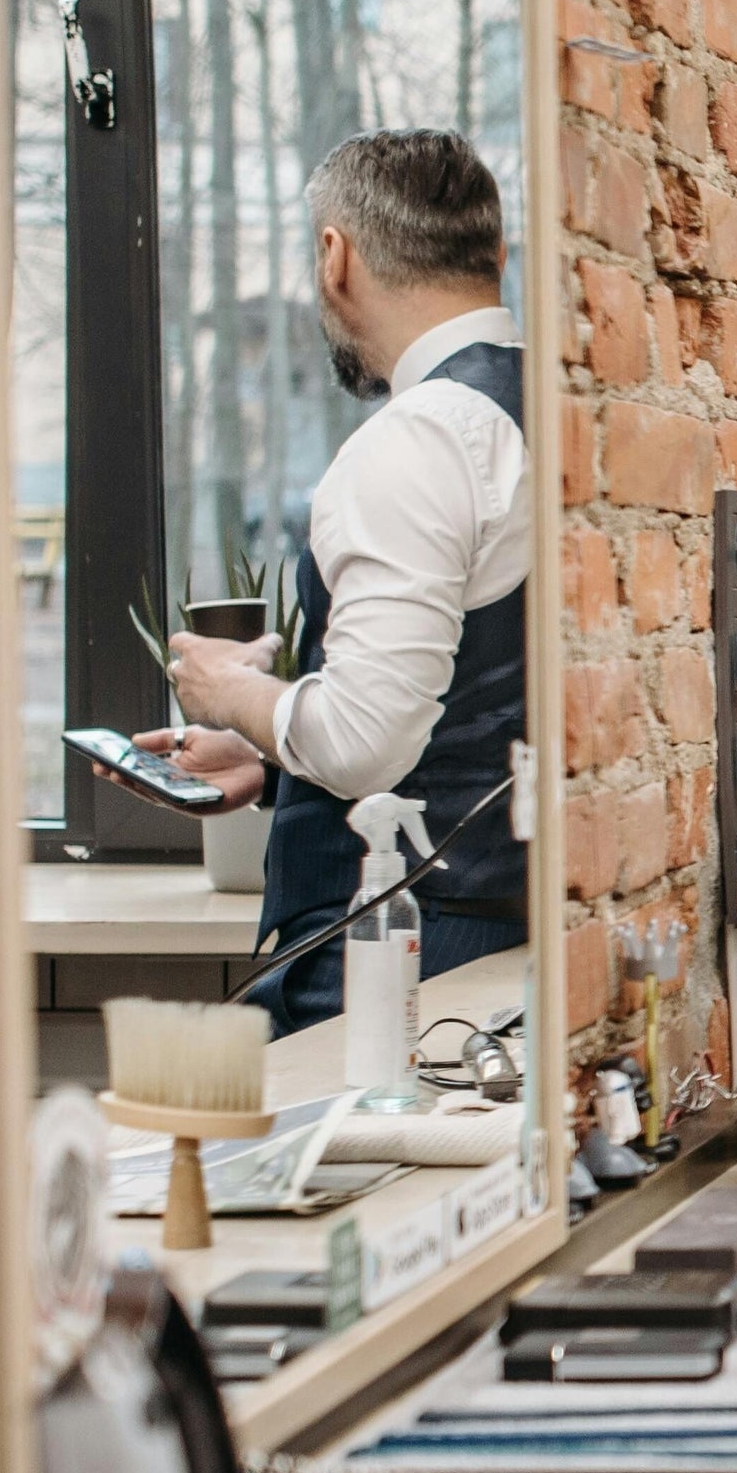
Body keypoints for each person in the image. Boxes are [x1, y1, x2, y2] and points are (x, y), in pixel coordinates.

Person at [134, 129, 532, 1032]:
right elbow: (471, 698)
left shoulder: (420, 438)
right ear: (496, 258)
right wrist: (272, 760)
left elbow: (364, 743)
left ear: (334, 255)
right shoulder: (558, 410)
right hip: (502, 952)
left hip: (400, 965)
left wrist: (229, 692)